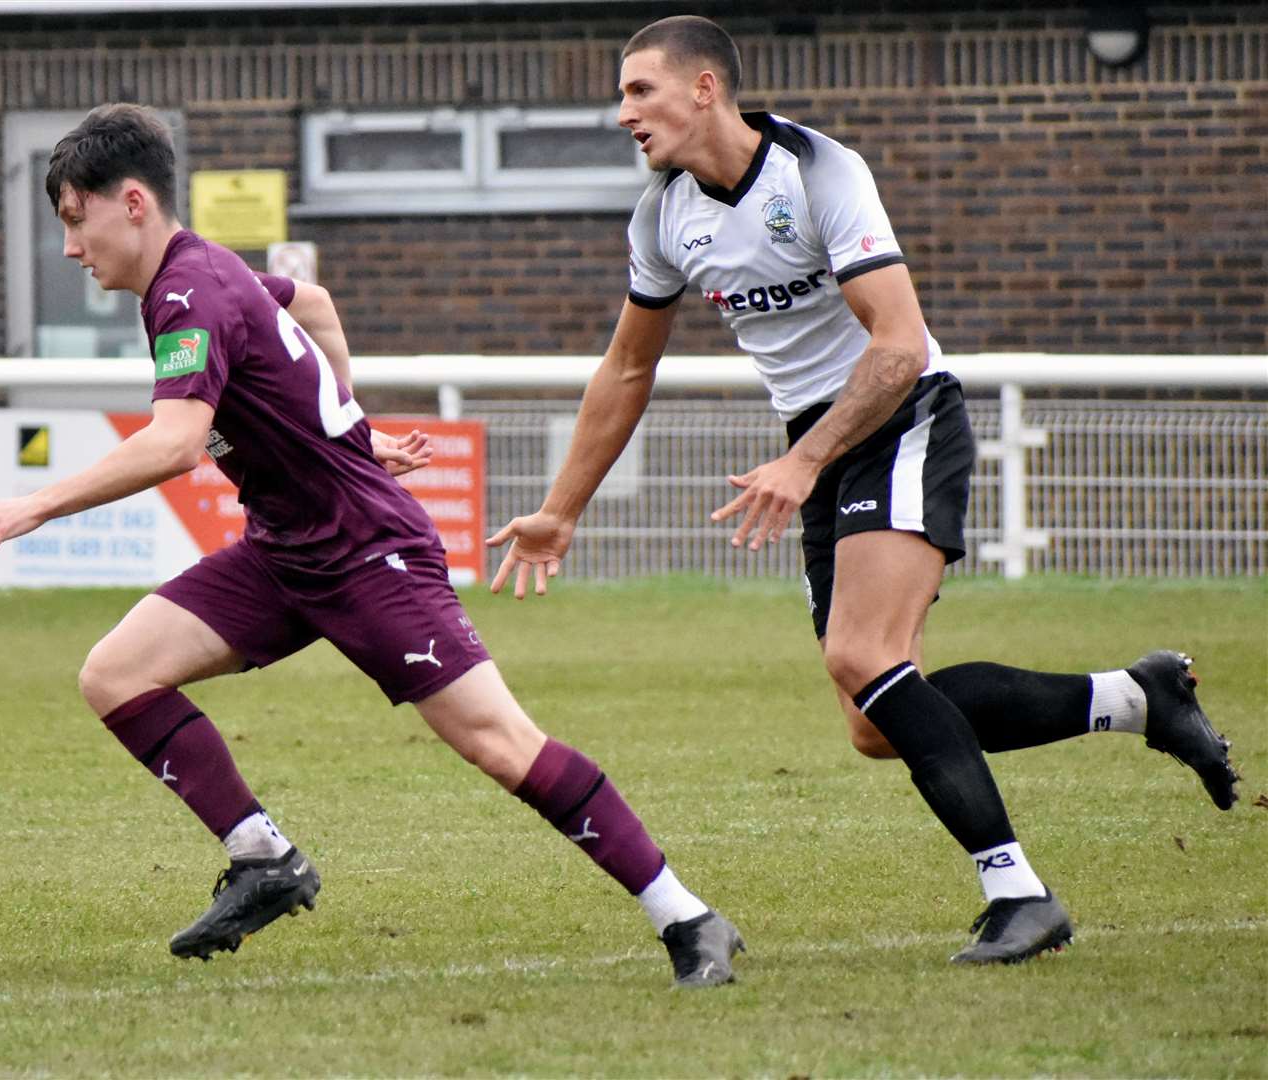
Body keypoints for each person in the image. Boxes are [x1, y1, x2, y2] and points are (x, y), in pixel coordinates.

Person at [0, 103, 746, 988]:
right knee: (115, 673)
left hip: (366, 551)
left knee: (500, 744)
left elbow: (173, 441)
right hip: (286, 551)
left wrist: (37, 505)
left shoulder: (188, 290)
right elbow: (312, 303)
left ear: (131, 202)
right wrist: (348, 426)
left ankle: (689, 918)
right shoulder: (198, 272)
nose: (67, 247)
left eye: (72, 218)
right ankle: (263, 858)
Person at [486, 16, 1239, 966]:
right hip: (822, 443)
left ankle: (1020, 892)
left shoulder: (817, 170)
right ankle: (1137, 700)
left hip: (903, 414)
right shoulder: (663, 217)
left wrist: (805, 463)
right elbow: (627, 370)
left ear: (705, 88)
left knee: (859, 653)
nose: (622, 112)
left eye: (640, 91)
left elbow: (897, 344)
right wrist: (562, 510)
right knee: (874, 721)